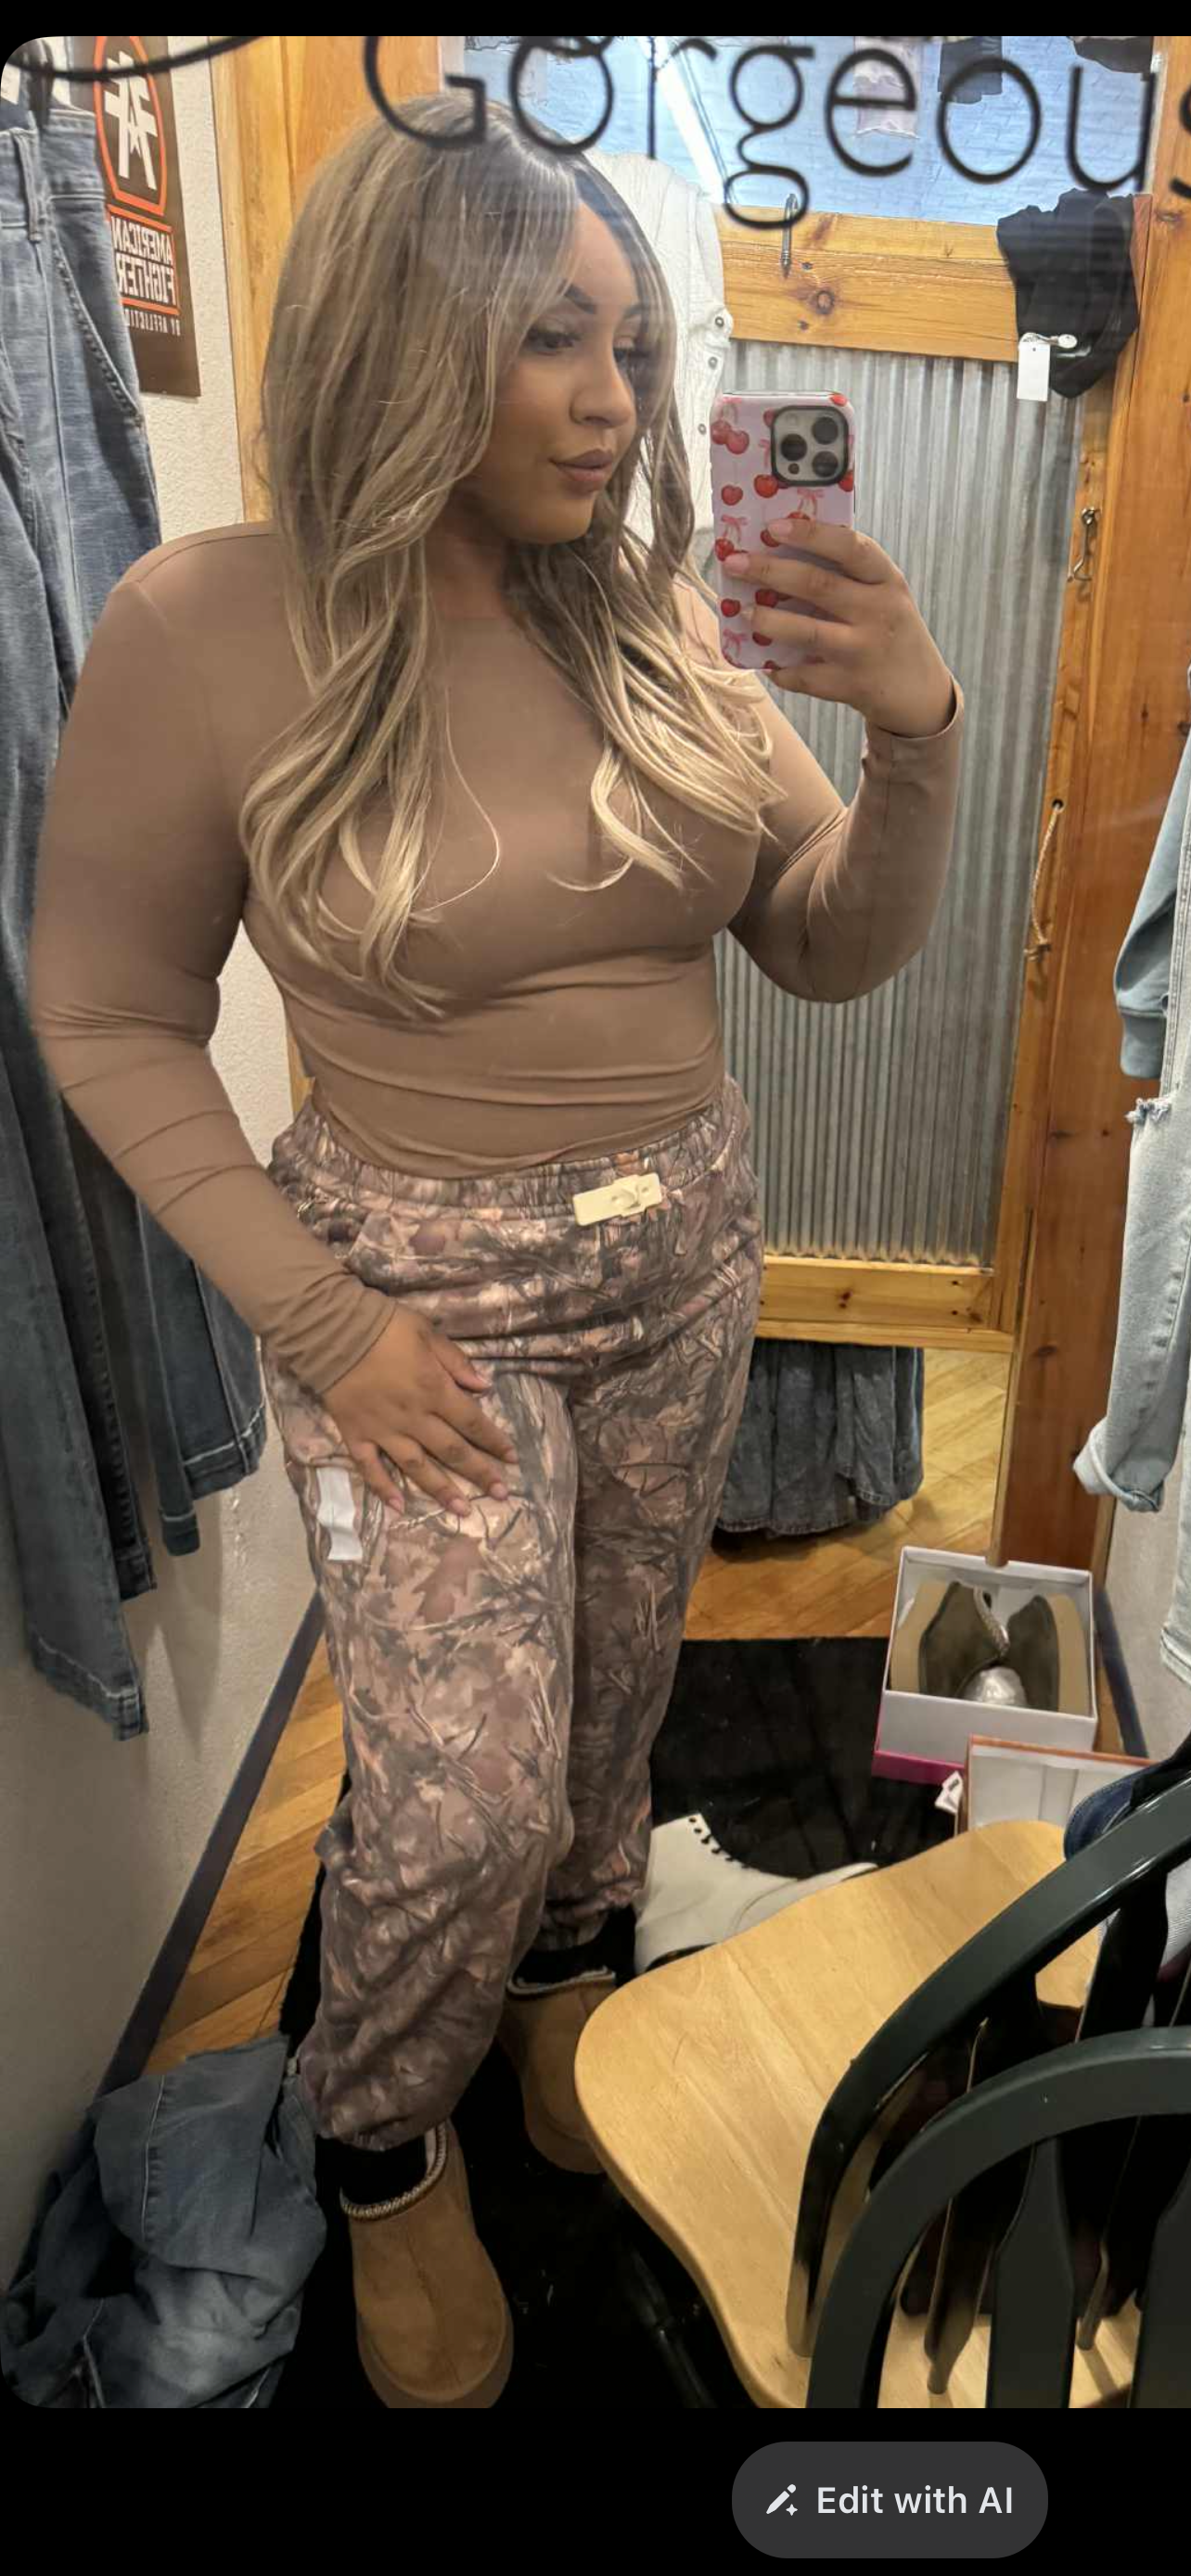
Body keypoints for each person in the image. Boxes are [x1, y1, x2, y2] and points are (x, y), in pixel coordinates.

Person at [31, 97, 961, 2407]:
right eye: (552, 338)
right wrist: (324, 1324)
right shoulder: (207, 624)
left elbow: (827, 946)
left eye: (629, 346)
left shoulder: (654, 612)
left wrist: (918, 731)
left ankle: (567, 1990)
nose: (612, 400)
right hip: (413, 1312)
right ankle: (379, 2144)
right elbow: (105, 1013)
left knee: (616, 1709)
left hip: (685, 1268)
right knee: (458, 1797)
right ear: (399, 331)